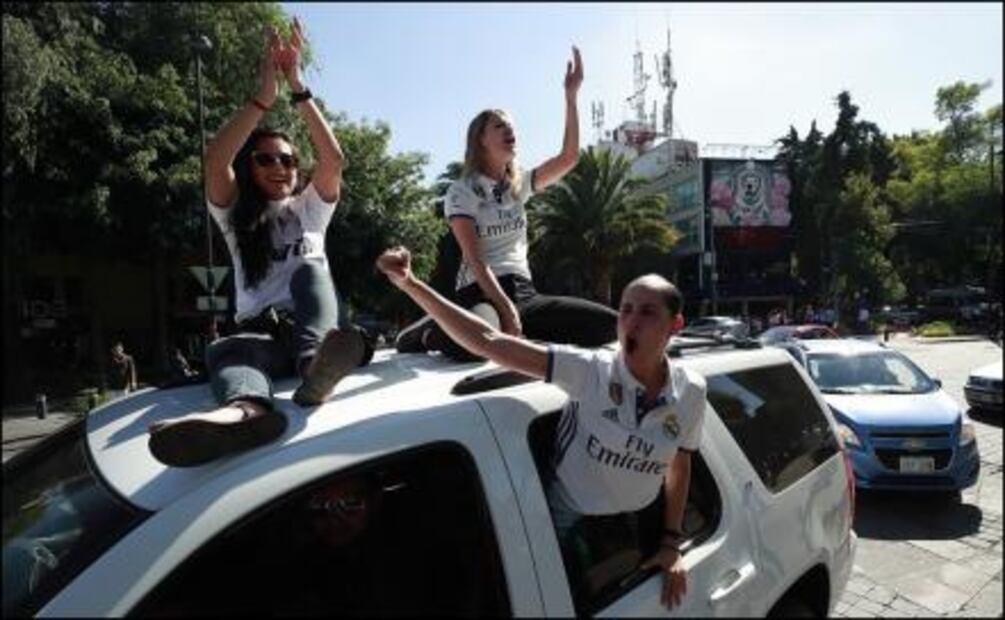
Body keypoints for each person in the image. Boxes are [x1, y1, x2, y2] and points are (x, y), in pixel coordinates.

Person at [377, 246, 705, 610]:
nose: (631, 322)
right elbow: (491, 342)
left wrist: (671, 541)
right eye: (625, 310)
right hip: (566, 513)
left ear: (675, 325)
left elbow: (680, 463)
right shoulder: (589, 370)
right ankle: (418, 334)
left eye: (647, 312)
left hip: (639, 517)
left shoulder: (691, 391)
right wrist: (411, 284)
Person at [148, 20, 365, 468]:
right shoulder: (233, 214)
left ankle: (316, 369)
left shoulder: (310, 209)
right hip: (262, 340)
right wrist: (264, 95)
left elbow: (334, 158)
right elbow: (215, 158)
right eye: (265, 159)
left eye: (287, 159)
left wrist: (297, 85)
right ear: (250, 169)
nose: (279, 166)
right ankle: (243, 413)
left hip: (314, 337)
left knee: (310, 269)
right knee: (227, 351)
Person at [395, 46, 617, 361]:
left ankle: (478, 325)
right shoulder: (462, 191)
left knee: (608, 327)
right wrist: (505, 308)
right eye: (500, 125)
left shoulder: (519, 184)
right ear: (480, 140)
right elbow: (474, 260)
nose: (510, 129)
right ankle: (434, 328)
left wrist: (571, 96)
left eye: (511, 125)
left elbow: (569, 158)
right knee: (483, 345)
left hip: (525, 292)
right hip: (480, 290)